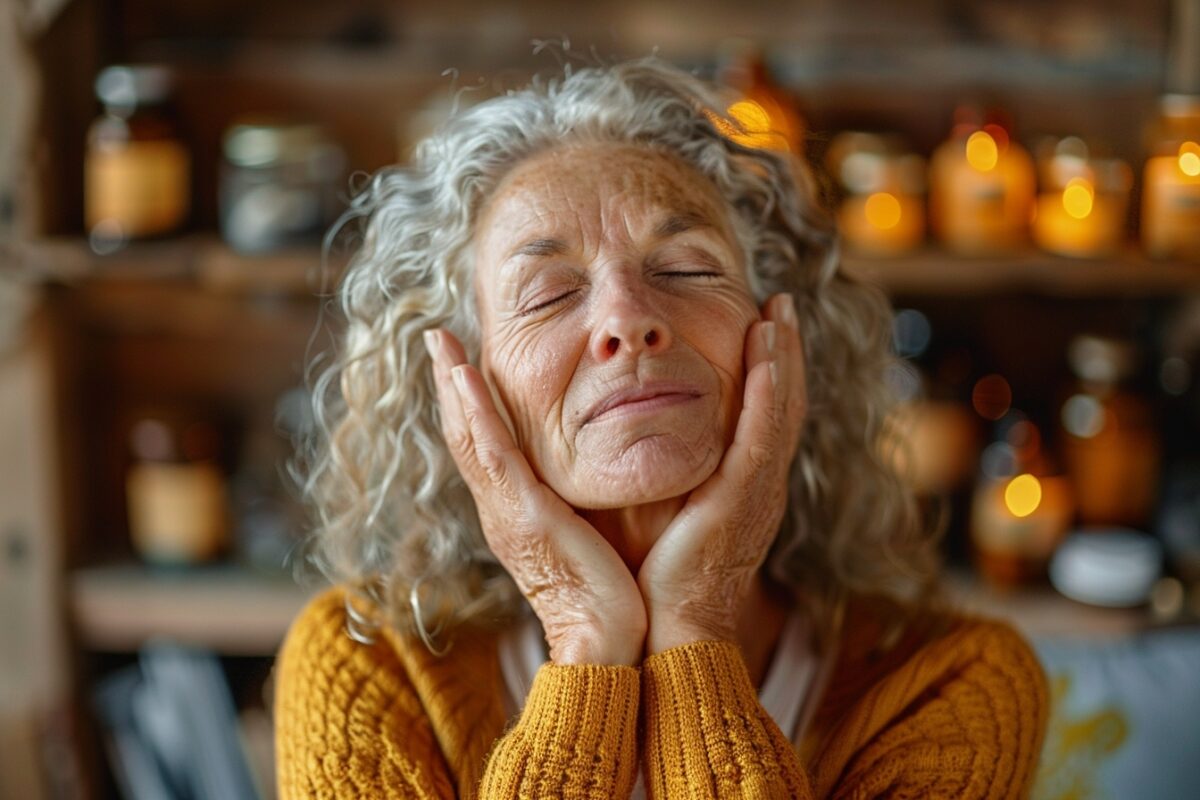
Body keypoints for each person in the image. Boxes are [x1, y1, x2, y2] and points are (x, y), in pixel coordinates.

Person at [274, 58, 1047, 799]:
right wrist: (583, 633)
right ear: (463, 389)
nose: (628, 320)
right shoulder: (367, 665)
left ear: (778, 334)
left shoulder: (954, 679)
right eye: (548, 294)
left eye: (684, 269)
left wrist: (696, 622)